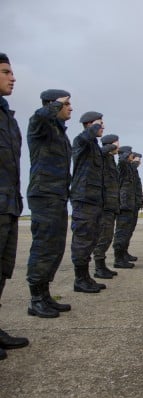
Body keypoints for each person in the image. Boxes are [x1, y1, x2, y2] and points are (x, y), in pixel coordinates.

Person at [26, 88, 73, 318]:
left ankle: (45, 295)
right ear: (53, 105)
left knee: (54, 247)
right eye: (66, 104)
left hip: (57, 195)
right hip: (44, 194)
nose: (70, 108)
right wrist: (54, 105)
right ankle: (35, 299)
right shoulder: (41, 125)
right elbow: (39, 116)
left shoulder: (58, 132)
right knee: (43, 246)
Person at [0, 52, 29, 358]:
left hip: (8, 204)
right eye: (6, 71)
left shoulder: (8, 118)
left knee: (3, 270)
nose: (13, 77)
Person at [70, 111, 107, 293]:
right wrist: (93, 127)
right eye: (100, 123)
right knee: (82, 239)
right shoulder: (81, 141)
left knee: (92, 238)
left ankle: (85, 277)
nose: (103, 127)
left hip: (94, 199)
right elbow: (84, 138)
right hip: (83, 198)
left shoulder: (95, 146)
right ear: (89, 125)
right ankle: (79, 279)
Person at [92, 133, 120, 278]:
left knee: (107, 237)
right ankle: (98, 268)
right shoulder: (103, 158)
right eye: (116, 144)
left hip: (111, 205)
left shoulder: (110, 160)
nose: (118, 147)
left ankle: (102, 265)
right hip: (104, 206)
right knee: (103, 237)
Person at [113, 146, 136, 269]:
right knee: (121, 233)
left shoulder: (128, 168)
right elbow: (121, 160)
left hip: (128, 206)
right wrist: (124, 154)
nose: (133, 156)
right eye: (131, 154)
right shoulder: (122, 166)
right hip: (124, 206)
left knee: (125, 233)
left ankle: (122, 256)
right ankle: (118, 259)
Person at [126, 152, 143, 262]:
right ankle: (120, 257)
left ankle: (124, 252)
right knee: (124, 232)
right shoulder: (127, 169)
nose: (139, 161)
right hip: (127, 206)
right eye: (137, 159)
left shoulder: (134, 171)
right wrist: (133, 162)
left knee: (128, 231)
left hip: (133, 205)